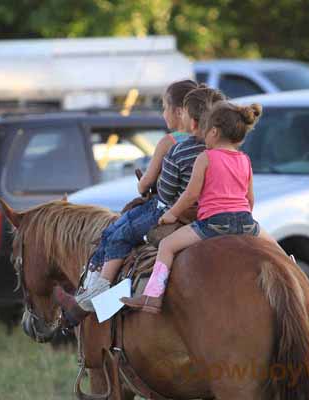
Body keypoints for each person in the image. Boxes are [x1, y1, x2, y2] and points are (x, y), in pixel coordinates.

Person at [56, 85, 226, 324]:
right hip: (216, 214)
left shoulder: (172, 144)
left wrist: (149, 185)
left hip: (170, 209)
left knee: (120, 232)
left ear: (182, 113)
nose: (163, 113)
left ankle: (99, 287)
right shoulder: (219, 147)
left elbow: (156, 189)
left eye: (165, 108)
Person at [121, 101, 279, 314]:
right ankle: (301, 285)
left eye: (206, 132)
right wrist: (244, 220)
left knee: (167, 246)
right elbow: (249, 198)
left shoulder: (206, 157)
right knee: (277, 251)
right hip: (246, 222)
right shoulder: (244, 160)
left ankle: (152, 297)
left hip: (214, 223)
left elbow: (191, 194)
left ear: (213, 132)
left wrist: (171, 214)